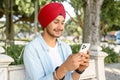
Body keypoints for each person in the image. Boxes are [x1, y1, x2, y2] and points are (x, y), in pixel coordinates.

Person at [23, 2, 89, 80]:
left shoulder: (65, 47)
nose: (60, 27)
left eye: (62, 23)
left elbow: (69, 79)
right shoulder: (32, 49)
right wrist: (64, 68)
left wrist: (79, 70)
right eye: (56, 22)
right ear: (46, 23)